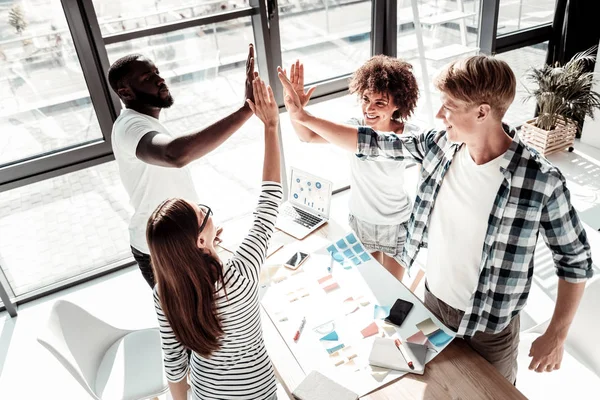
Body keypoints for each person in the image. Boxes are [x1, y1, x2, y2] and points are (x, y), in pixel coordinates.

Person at [277, 55, 593, 384]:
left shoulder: (541, 180)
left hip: (490, 328)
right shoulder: (440, 146)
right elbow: (371, 143)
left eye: (449, 106)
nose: (440, 115)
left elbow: (575, 260)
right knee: (431, 386)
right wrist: (303, 116)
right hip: (432, 307)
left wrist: (556, 334)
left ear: (482, 112)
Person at [147, 77, 282, 400]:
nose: (209, 213)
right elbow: (269, 202)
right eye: (203, 214)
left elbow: (174, 362)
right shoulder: (241, 272)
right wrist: (271, 127)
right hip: (256, 391)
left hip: (207, 392)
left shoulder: (165, 290)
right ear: (199, 243)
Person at [108, 44, 257, 288]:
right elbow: (175, 155)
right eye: (148, 77)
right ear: (125, 91)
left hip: (184, 239)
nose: (160, 79)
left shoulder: (146, 122)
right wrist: (245, 110)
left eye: (157, 72)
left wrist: (199, 230)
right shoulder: (130, 127)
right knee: (191, 321)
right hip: (161, 250)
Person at [284, 56, 419, 281]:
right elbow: (307, 136)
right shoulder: (354, 127)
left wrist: (303, 116)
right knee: (372, 285)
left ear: (398, 105)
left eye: (380, 103)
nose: (369, 108)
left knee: (395, 290)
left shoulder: (409, 135)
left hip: (397, 225)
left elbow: (373, 144)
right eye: (366, 99)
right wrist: (293, 108)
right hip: (361, 222)